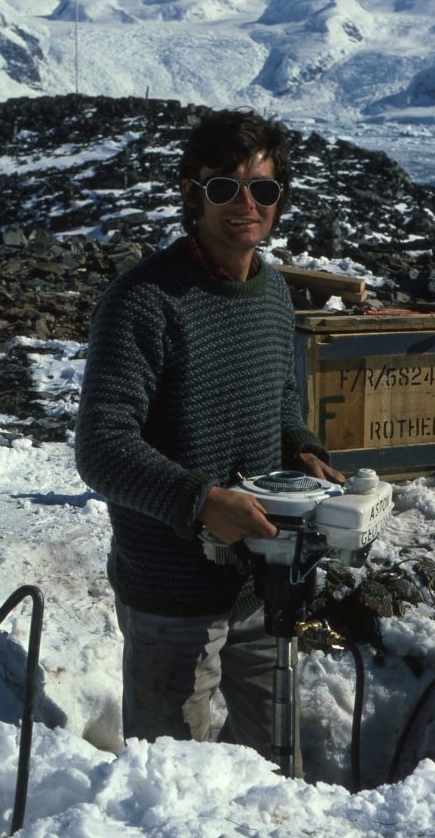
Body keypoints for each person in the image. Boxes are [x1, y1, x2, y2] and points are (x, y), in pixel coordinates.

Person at [74, 108, 344, 762]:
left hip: (262, 578)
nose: (245, 203)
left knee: (272, 767)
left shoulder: (273, 294)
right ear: (191, 193)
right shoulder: (144, 300)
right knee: (175, 785)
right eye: (224, 186)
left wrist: (302, 448)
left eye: (263, 189)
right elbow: (102, 446)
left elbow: (276, 402)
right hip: (170, 594)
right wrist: (200, 502)